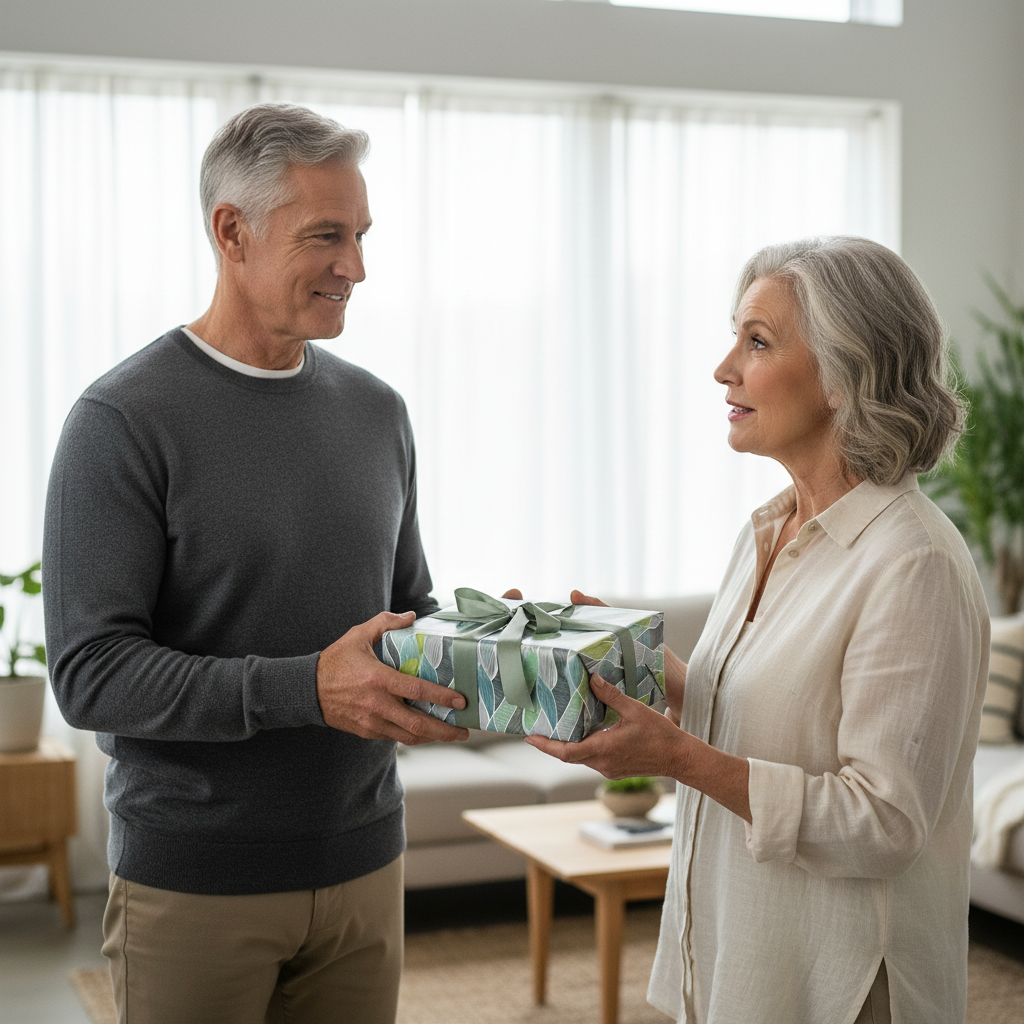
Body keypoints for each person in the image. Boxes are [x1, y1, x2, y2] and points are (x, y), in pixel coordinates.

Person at [42, 102, 469, 1024]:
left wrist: (491, 642)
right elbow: (89, 675)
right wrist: (306, 689)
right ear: (231, 232)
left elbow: (407, 606)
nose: (355, 266)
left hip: (365, 865)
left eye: (359, 234)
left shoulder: (377, 411)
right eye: (326, 235)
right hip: (195, 884)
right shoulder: (121, 421)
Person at [528, 236, 990, 1024]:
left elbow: (882, 823)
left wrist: (676, 756)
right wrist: (620, 659)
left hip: (841, 989)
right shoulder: (767, 532)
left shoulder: (914, 564)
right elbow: (758, 703)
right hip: (742, 957)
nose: (724, 369)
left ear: (845, 376)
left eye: (758, 341)